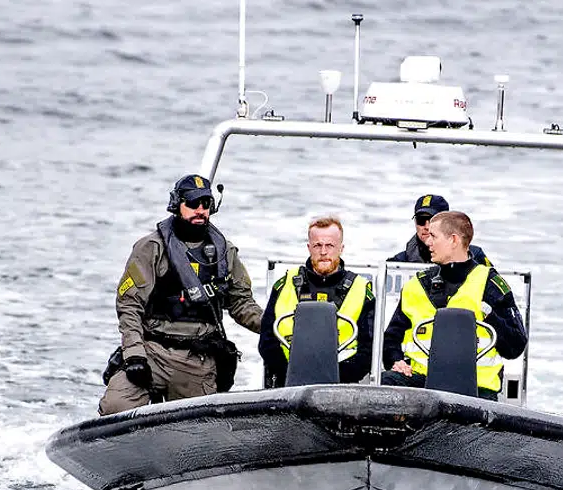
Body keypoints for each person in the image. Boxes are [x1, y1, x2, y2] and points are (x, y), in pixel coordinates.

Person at [98, 174, 263, 415]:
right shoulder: (151, 248)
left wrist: (278, 325)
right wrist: (134, 355)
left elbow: (242, 304)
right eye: (192, 204)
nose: (200, 210)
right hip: (151, 350)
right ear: (177, 205)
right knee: (116, 407)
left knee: (198, 426)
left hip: (197, 359)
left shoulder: (224, 253)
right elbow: (129, 306)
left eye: (205, 204)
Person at [381, 210, 526, 400]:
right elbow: (390, 339)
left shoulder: (489, 284)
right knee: (385, 384)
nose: (427, 242)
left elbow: (515, 346)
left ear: (454, 240)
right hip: (421, 385)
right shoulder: (417, 284)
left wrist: (489, 316)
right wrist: (396, 360)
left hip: (475, 391)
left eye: (433, 236)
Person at [259, 216, 375, 386]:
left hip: (342, 386)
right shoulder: (285, 284)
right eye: (317, 245)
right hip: (288, 384)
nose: (323, 252)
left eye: (329, 245)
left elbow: (368, 351)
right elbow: (267, 342)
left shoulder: (362, 290)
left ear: (341, 248)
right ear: (309, 248)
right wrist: (293, 373)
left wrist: (331, 378)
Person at [387, 193, 491, 266]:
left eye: (433, 220)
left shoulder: (473, 255)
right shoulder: (398, 263)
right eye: (421, 220)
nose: (427, 226)